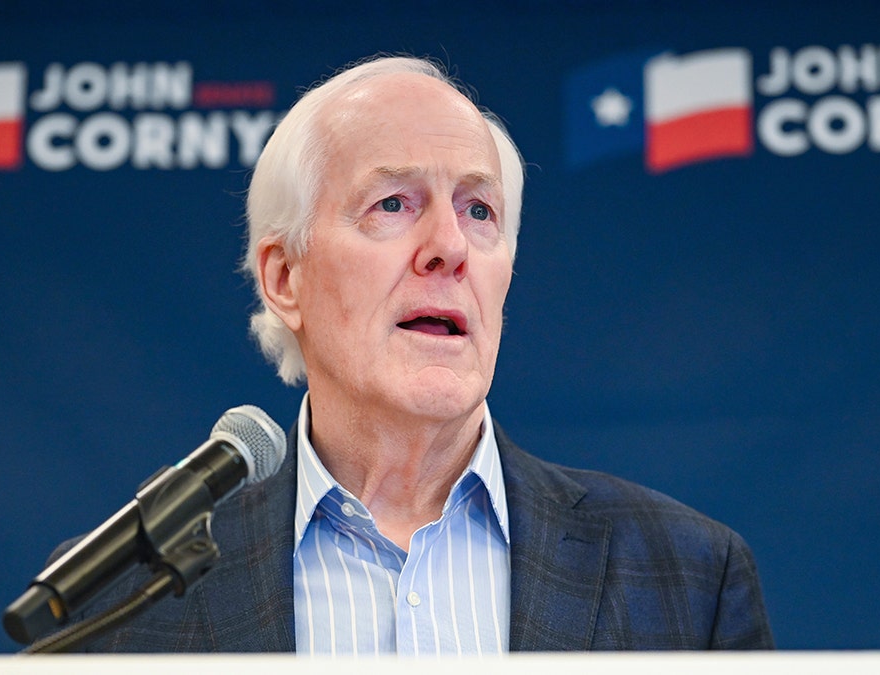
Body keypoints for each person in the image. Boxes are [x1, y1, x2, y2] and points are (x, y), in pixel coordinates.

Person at [46, 54, 773, 653]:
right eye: (392, 204)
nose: (449, 248)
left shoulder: (688, 577)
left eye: (478, 210)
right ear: (284, 278)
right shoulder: (121, 600)